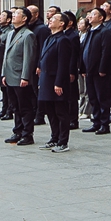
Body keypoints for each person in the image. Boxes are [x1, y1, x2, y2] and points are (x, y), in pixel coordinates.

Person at [38, 10, 82, 152]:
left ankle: (63, 141)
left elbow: (63, 64)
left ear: (62, 23)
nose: (50, 19)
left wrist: (59, 83)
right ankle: (54, 137)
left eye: (54, 18)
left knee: (61, 112)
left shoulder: (63, 40)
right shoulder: (49, 38)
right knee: (50, 112)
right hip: (46, 80)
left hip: (56, 81)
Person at [1, 7, 38, 145]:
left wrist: (25, 77)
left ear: (24, 18)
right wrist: (3, 73)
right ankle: (17, 131)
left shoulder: (28, 35)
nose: (13, 15)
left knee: (25, 107)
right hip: (9, 75)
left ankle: (27, 134)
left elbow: (29, 58)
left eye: (17, 14)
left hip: (20, 76)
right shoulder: (11, 33)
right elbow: (6, 55)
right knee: (15, 106)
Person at [82, 5, 111, 133]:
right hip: (89, 70)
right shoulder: (90, 31)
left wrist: (103, 69)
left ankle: (105, 124)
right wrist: (83, 68)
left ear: (101, 18)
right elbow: (85, 50)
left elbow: (106, 52)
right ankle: (96, 122)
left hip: (99, 71)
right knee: (93, 98)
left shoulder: (105, 32)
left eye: (93, 14)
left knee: (102, 98)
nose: (90, 17)